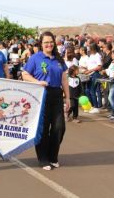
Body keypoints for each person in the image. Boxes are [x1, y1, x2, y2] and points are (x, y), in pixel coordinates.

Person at [22, 31, 70, 171]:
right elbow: (25, 74)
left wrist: (67, 97)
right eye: (45, 42)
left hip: (56, 94)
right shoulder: (35, 58)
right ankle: (43, 158)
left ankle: (53, 156)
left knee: (59, 127)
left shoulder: (59, 59)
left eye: (51, 42)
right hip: (40, 95)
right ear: (41, 44)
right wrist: (37, 82)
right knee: (43, 129)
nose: (49, 44)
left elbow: (64, 79)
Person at [84, 43, 103, 113]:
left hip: (95, 74)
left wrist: (90, 70)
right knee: (87, 90)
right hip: (90, 74)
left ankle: (96, 107)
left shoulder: (97, 56)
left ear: (93, 49)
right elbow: (90, 65)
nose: (89, 50)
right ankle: (91, 106)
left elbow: (99, 66)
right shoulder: (91, 55)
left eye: (90, 49)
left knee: (92, 90)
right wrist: (86, 70)